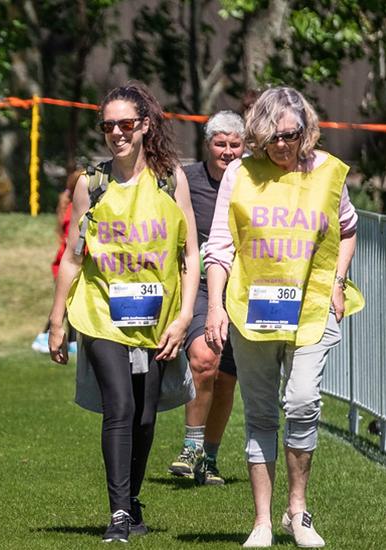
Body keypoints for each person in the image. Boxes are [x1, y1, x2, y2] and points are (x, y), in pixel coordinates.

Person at [204, 87, 361, 548]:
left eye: (289, 135)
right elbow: (220, 246)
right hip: (252, 310)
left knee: (303, 400)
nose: (280, 145)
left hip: (311, 309)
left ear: (305, 131)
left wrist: (337, 282)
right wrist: (214, 306)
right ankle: (262, 521)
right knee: (259, 413)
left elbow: (348, 229)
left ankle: (298, 511)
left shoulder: (328, 172)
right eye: (271, 137)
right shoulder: (240, 174)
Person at [48, 82, 199, 543]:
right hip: (100, 313)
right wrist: (57, 321)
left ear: (144, 126)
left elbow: (190, 255)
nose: (117, 133)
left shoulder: (170, 179)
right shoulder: (91, 184)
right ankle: (117, 513)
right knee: (120, 406)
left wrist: (183, 318)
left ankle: (131, 499)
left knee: (145, 416)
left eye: (126, 124)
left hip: (156, 318)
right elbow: (73, 257)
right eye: (108, 125)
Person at [168, 111, 245, 485]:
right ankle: (191, 447)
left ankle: (209, 460)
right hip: (198, 285)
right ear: (207, 145)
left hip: (242, 289)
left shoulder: (253, 181)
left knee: (226, 378)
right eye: (220, 144)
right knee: (203, 358)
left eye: (235, 145)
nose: (227, 152)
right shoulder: (187, 180)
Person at [34, 169, 82, 354]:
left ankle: (70, 340)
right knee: (67, 305)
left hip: (64, 263)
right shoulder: (75, 209)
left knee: (70, 305)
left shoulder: (69, 207)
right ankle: (48, 336)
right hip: (67, 265)